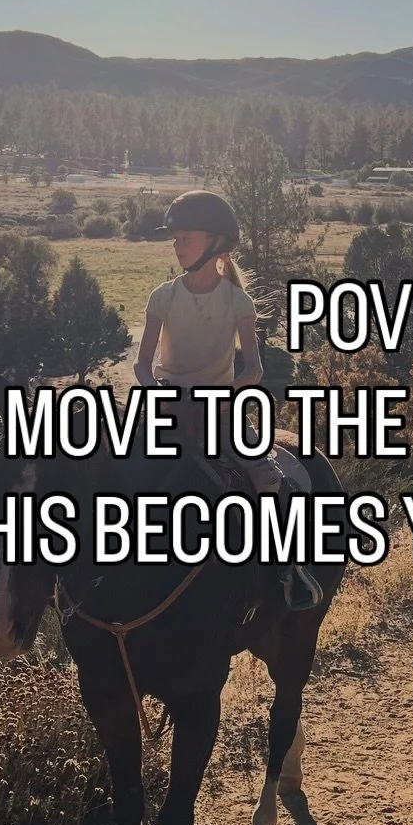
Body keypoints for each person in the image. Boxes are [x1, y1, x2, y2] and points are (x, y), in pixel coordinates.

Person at [136, 190, 321, 611]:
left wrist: (218, 399)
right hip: (163, 405)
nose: (176, 244)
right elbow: (143, 365)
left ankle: (289, 568)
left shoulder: (239, 302)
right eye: (175, 238)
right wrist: (158, 393)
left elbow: (252, 370)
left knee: (267, 477)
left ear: (215, 243)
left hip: (218, 409)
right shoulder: (162, 296)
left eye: (185, 237)